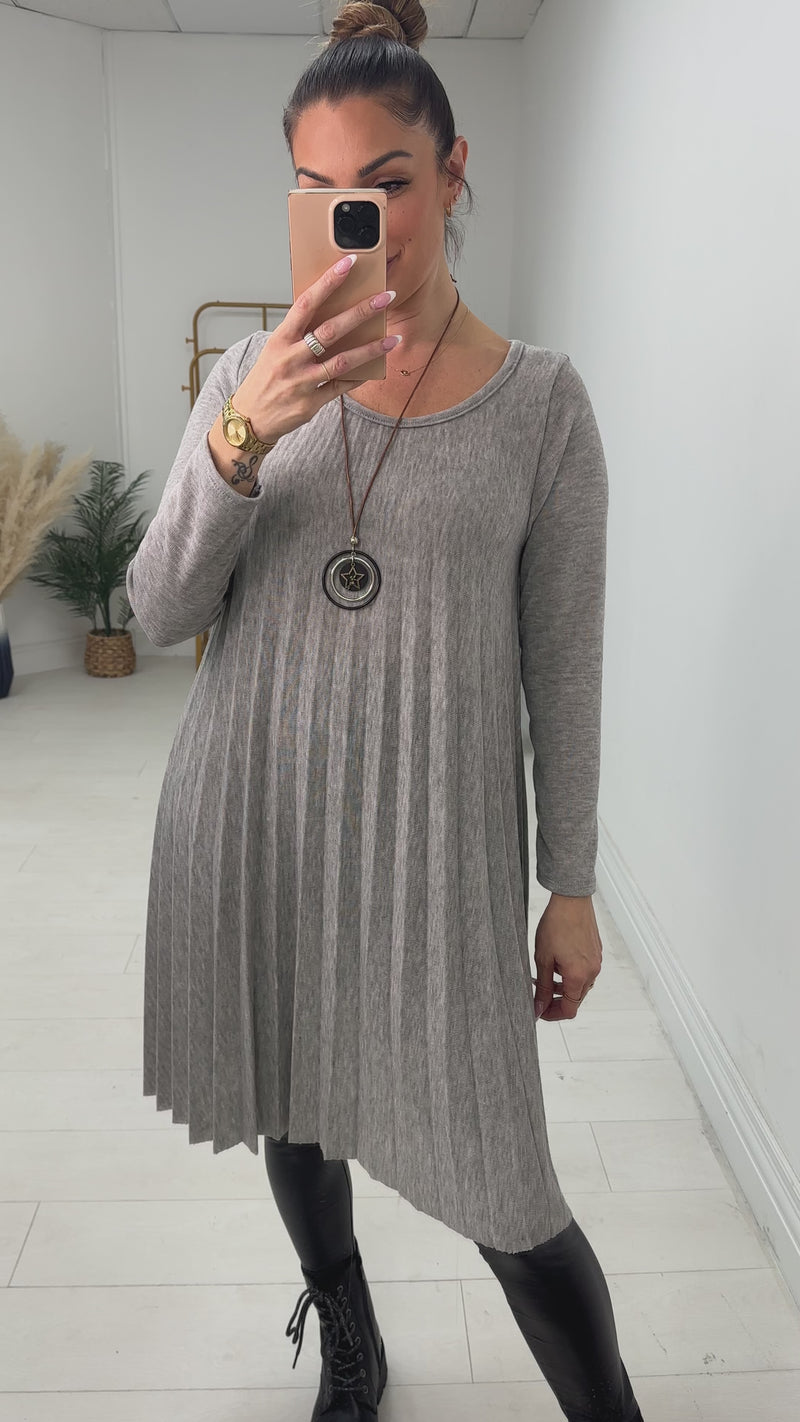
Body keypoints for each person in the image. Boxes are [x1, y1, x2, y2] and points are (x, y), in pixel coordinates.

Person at [126, 2, 645, 1418]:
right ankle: (349, 1332)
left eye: (388, 183)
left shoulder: (544, 410)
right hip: (257, 817)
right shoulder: (244, 381)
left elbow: (566, 665)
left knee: (510, 1191)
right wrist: (244, 438)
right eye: (321, 191)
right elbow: (159, 606)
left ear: (455, 170)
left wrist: (572, 885)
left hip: (437, 851)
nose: (358, 222)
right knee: (294, 1101)